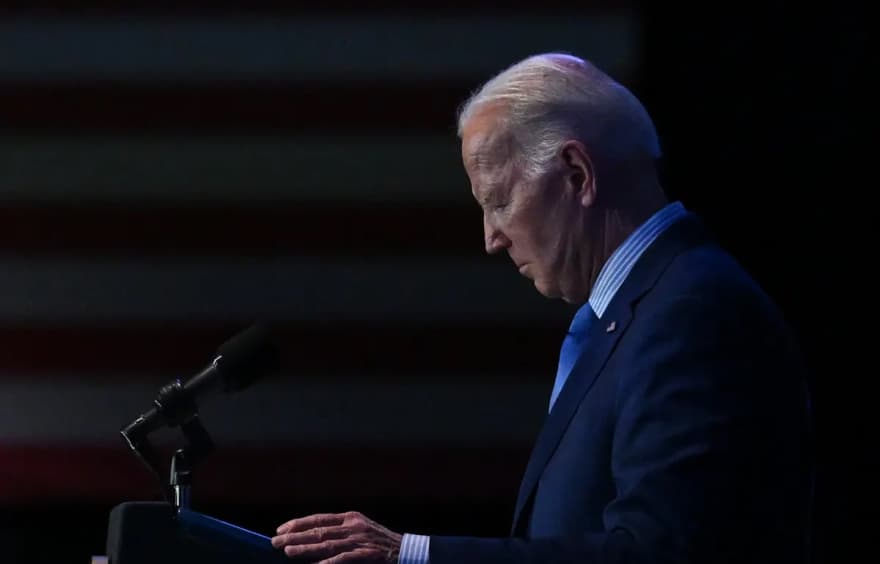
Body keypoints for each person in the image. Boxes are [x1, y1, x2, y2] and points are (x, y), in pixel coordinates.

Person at [270, 53, 814, 563]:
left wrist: (413, 554)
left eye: (499, 201)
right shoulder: (635, 316)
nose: (491, 238)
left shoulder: (692, 313)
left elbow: (658, 550)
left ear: (577, 174)